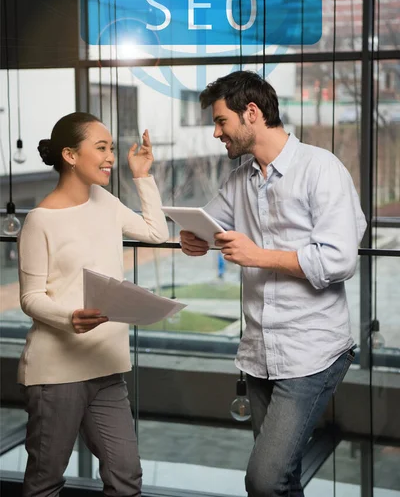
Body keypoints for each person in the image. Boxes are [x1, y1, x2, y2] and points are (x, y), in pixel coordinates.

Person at [180, 71, 367, 497]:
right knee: (282, 479)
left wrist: (258, 256)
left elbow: (339, 259)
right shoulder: (238, 180)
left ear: (251, 114)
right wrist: (192, 236)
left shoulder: (322, 169)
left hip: (312, 351)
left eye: (221, 121)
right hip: (260, 353)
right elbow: (209, 224)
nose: (215, 133)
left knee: (264, 481)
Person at [18, 112, 169, 497]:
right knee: (45, 482)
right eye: (101, 148)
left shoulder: (104, 200)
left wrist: (142, 175)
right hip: (56, 374)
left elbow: (156, 232)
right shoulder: (39, 221)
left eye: (112, 149)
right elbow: (30, 298)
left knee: (126, 477)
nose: (110, 157)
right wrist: (69, 317)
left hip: (107, 367)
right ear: (69, 155)